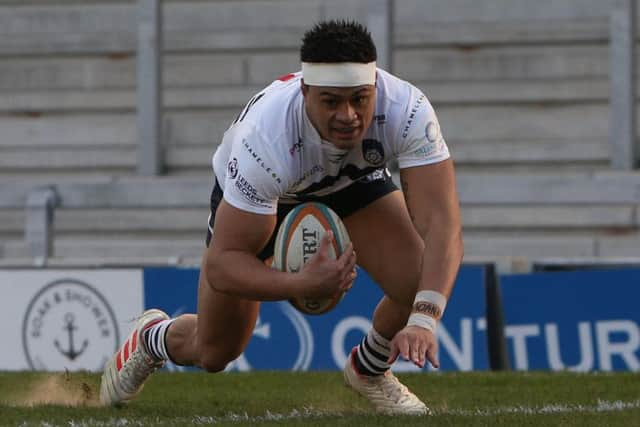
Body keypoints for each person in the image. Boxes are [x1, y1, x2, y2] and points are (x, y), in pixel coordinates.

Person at [100, 19, 463, 415]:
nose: (348, 115)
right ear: (305, 91)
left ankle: (370, 368)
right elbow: (223, 265)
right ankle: (153, 337)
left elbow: (443, 224)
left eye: (360, 99)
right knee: (215, 351)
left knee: (420, 283)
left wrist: (424, 319)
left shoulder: (406, 109)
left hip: (350, 182)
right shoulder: (264, 139)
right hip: (268, 195)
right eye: (330, 101)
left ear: (376, 88)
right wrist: (298, 283)